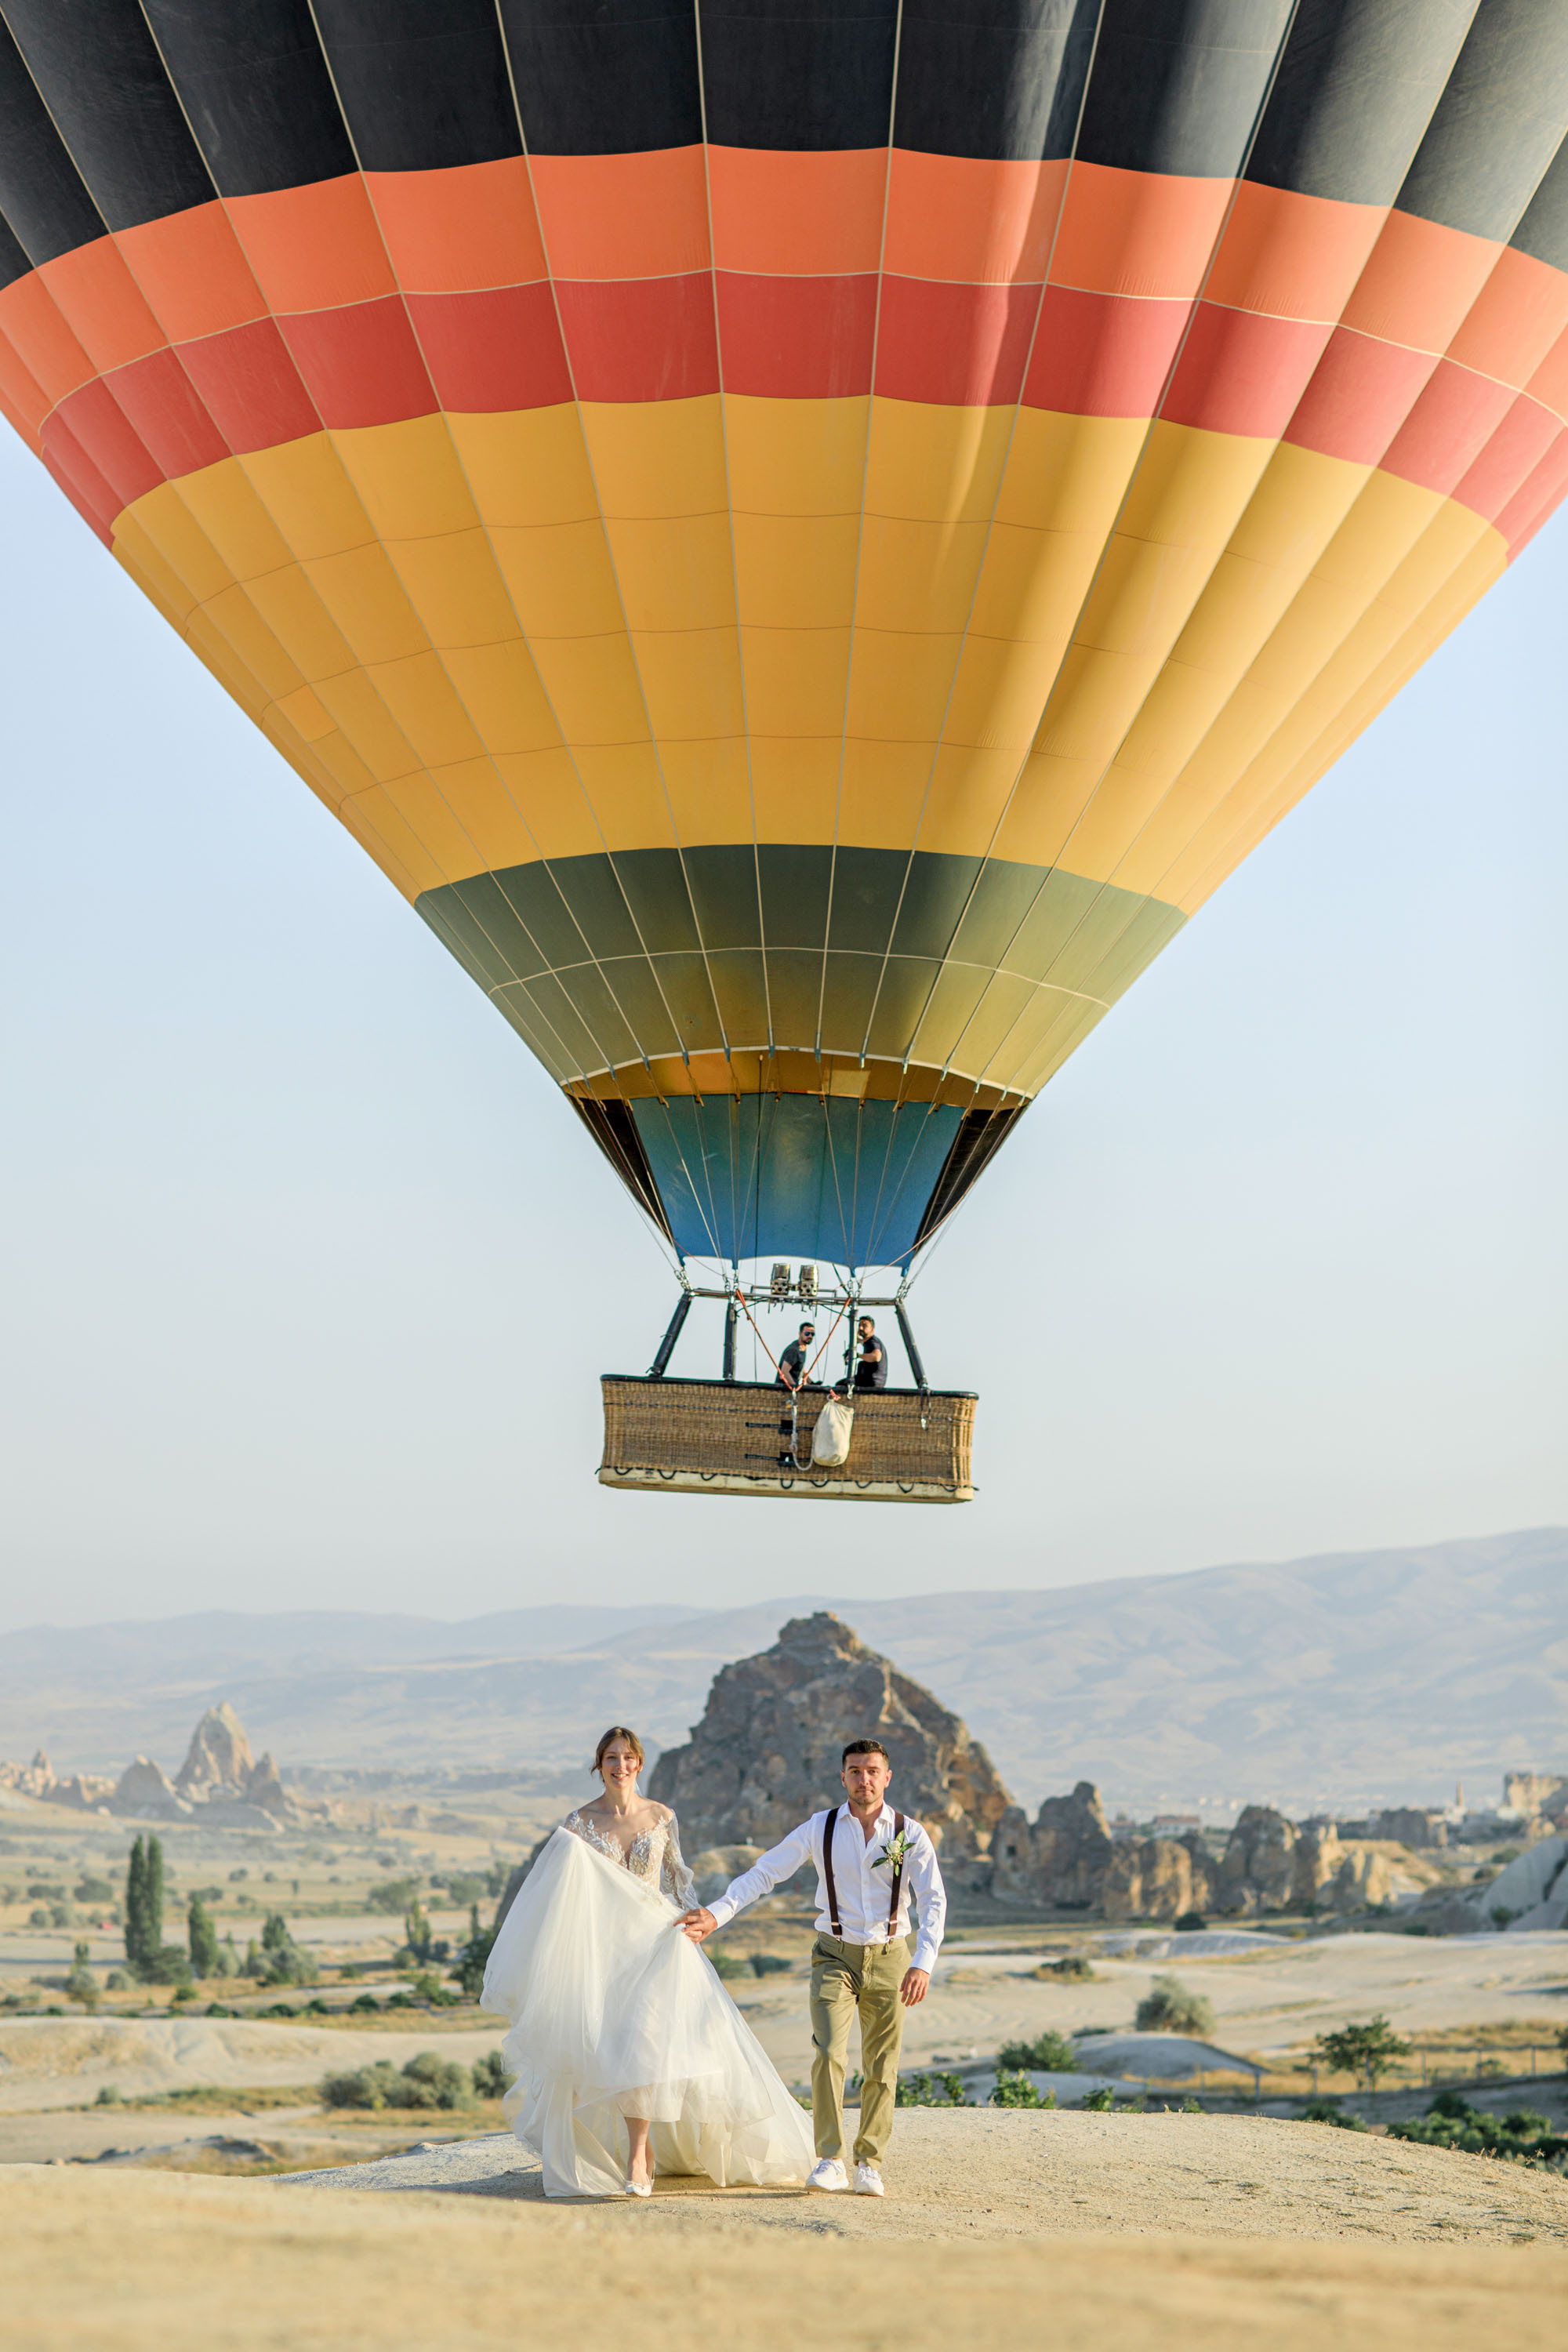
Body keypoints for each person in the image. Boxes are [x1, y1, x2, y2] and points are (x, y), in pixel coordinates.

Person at [482, 1726, 814, 2199]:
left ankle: (640, 2153)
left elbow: (677, 1880)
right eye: (612, 1757)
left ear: (639, 1763)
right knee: (605, 2050)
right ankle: (620, 2149)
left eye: (629, 1757)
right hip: (604, 1952)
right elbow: (558, 1894)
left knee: (645, 2047)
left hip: (659, 1945)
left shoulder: (661, 1816)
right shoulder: (578, 1824)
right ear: (600, 1764)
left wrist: (696, 1922)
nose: (621, 1766)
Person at [680, 1737, 946, 2199]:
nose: (864, 1779)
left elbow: (934, 1900)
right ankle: (830, 2158)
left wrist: (923, 1961)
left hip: (890, 1956)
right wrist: (718, 1913)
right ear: (842, 1777)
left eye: (872, 1771)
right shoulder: (819, 1829)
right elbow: (765, 1873)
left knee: (882, 2065)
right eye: (855, 1771)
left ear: (887, 1777)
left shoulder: (909, 1834)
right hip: (833, 1954)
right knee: (827, 2052)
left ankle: (870, 2163)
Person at [775, 1321, 817, 1389]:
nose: (810, 1336)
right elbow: (784, 1371)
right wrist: (794, 1386)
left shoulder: (802, 1349)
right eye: (807, 1333)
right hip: (784, 1389)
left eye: (812, 1334)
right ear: (800, 1333)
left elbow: (799, 1368)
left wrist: (811, 1383)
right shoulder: (794, 1350)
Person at [853, 1316, 887, 1389]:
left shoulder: (873, 1342)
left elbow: (876, 1357)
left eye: (864, 1326)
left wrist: (858, 1355)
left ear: (872, 1329)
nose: (861, 1328)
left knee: (841, 1386)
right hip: (870, 1381)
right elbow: (861, 1341)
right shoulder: (867, 1342)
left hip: (872, 1382)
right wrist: (856, 1337)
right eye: (860, 1326)